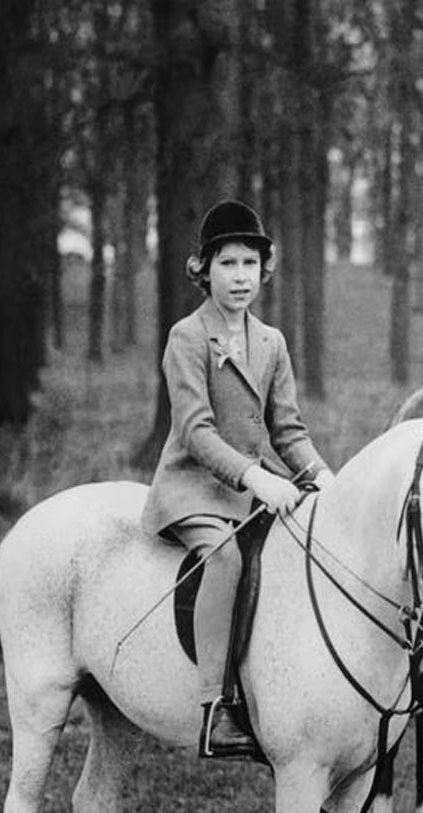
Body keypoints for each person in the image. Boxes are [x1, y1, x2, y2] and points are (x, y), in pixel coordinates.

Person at [141, 199, 334, 759]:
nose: (240, 276)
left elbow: (288, 429)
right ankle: (215, 707)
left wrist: (320, 476)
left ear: (263, 270)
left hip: (254, 488)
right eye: (227, 263)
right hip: (193, 488)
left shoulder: (271, 341)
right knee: (224, 558)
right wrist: (256, 478)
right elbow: (197, 433)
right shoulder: (187, 337)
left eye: (250, 263)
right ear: (204, 270)